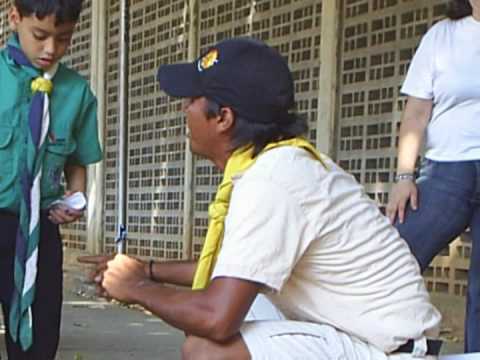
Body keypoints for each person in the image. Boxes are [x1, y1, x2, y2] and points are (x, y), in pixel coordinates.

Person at [80, 38, 442, 359]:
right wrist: (147, 269)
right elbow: (229, 270)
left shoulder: (273, 180)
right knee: (213, 310)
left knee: (208, 348)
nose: (183, 110)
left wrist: (137, 288)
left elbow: (216, 318)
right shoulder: (278, 163)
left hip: (390, 351)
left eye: (192, 100)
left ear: (222, 118)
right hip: (371, 337)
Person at [0, 0, 102, 358]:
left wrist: (75, 196)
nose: (51, 49)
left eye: (63, 39)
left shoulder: (76, 93)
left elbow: (77, 161)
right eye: (40, 35)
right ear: (15, 17)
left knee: (38, 338)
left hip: (39, 231)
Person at [386, 0, 480, 353]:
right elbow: (416, 112)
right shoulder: (441, 36)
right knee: (393, 257)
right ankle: (393, 345)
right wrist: (404, 176)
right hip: (446, 173)